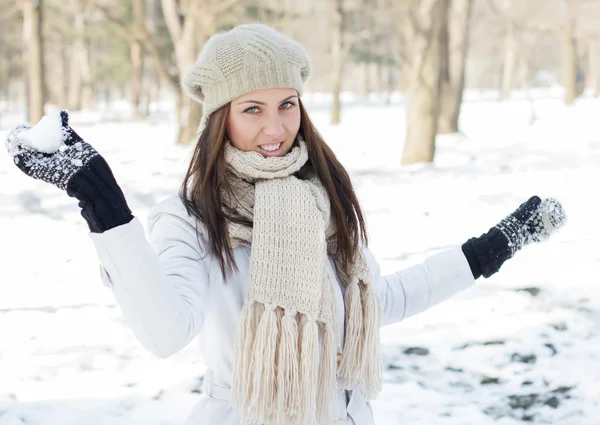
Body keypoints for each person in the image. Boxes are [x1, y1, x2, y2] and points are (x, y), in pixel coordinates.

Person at [4, 24, 566, 425]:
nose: (276, 129)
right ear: (219, 119)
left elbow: (379, 301)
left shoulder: (322, 200)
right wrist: (103, 206)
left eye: (288, 104)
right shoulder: (191, 218)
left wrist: (495, 245)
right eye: (252, 109)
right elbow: (166, 332)